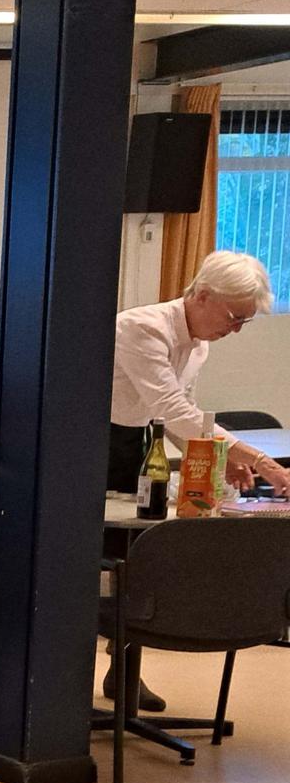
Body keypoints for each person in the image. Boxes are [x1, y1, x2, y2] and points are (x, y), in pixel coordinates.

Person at [105, 250, 287, 712]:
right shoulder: (143, 328)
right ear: (202, 295)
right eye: (233, 317)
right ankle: (69, 676)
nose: (236, 329)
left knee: (140, 556)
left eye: (245, 321)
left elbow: (179, 421)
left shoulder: (199, 344)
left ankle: (124, 669)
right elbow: (173, 409)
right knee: (98, 558)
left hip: (137, 440)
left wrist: (216, 459)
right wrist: (259, 460)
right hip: (94, 439)